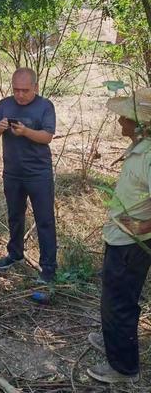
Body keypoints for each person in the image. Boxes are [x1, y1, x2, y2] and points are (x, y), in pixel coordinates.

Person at [87, 89, 151, 384]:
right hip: (120, 237)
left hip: (131, 243)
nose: (120, 121)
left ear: (142, 124)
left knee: (119, 302)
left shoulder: (148, 157)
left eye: (126, 117)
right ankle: (113, 341)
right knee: (112, 297)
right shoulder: (141, 148)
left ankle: (124, 368)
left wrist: (143, 227)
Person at [0, 67, 57, 283]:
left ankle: (48, 268)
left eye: (25, 90)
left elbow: (47, 136)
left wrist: (26, 132)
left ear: (35, 87)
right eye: (16, 90)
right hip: (12, 172)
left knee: (44, 220)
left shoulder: (45, 106)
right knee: (15, 215)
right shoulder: (4, 104)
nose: (19, 94)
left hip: (38, 173)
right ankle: (15, 253)